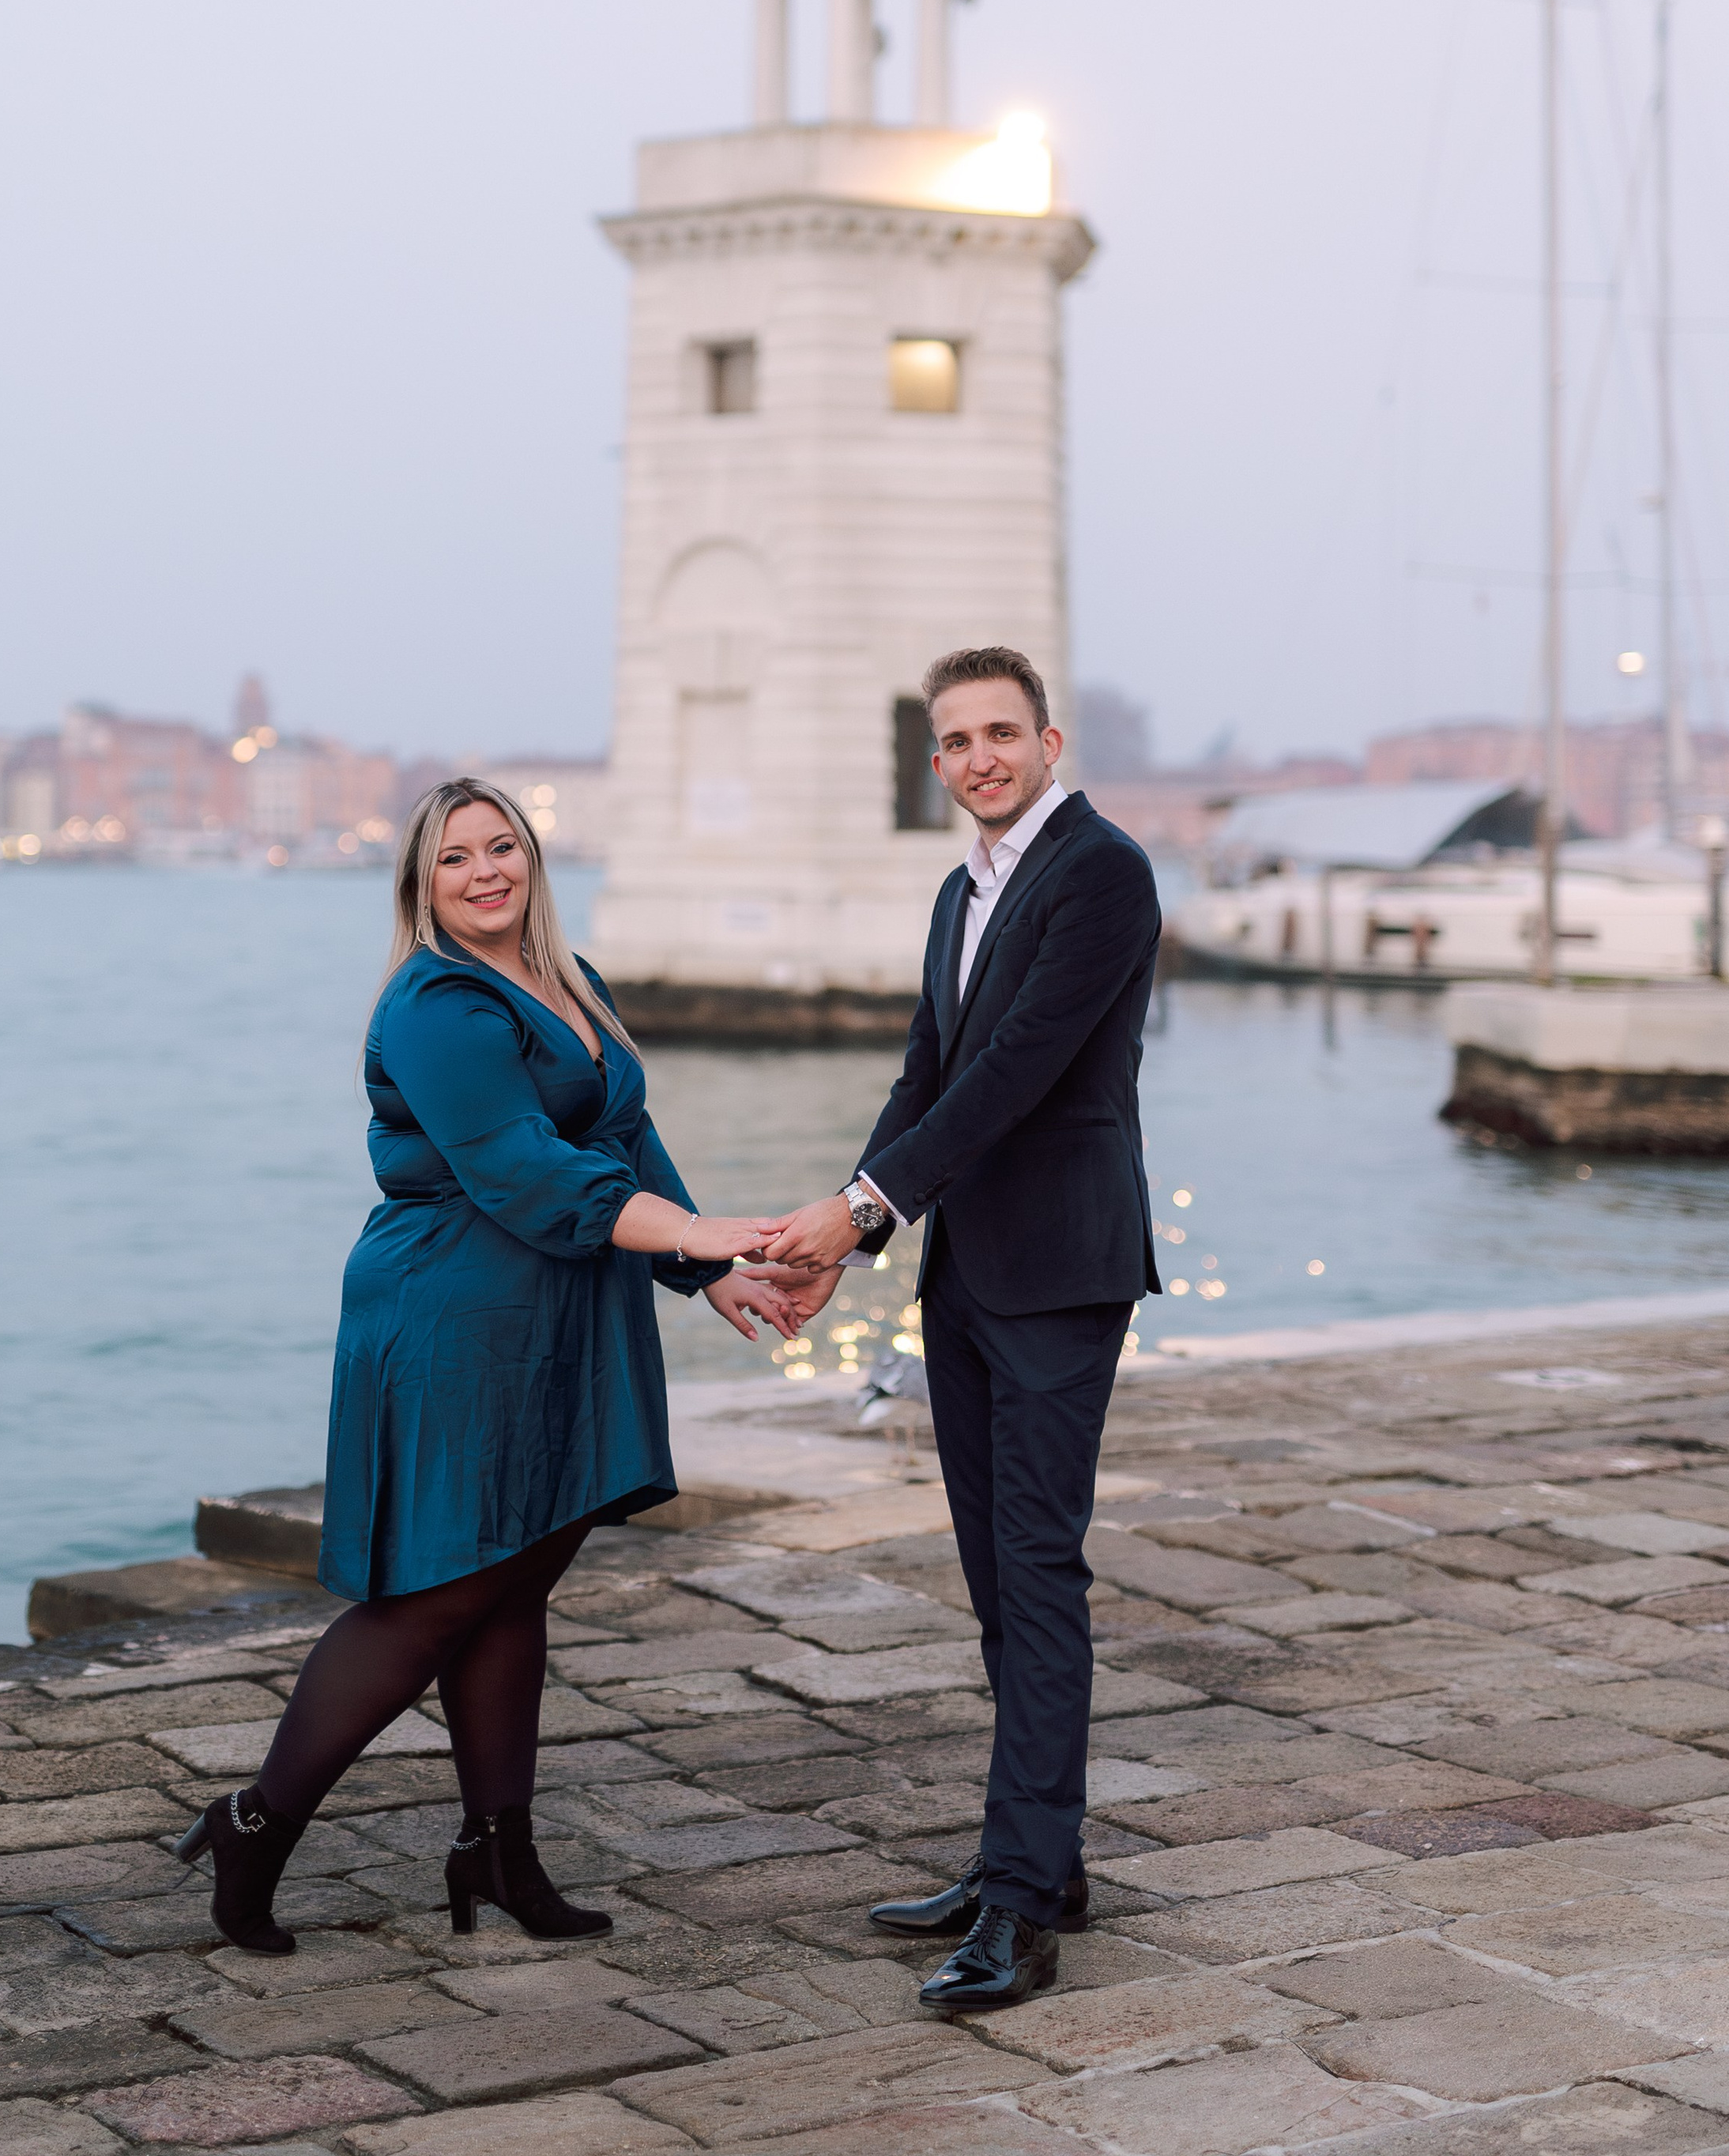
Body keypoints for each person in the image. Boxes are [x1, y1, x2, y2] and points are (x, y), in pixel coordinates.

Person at [175, 777, 794, 1954]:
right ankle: (255, 1822)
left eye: (501, 846)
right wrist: (694, 1236)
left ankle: (497, 1852)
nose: (484, 872)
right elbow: (519, 1165)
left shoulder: (570, 979)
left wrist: (701, 1267)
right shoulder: (433, 1006)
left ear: (532, 858)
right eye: (454, 858)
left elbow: (623, 1137)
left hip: (567, 1309)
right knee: (437, 1595)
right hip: (458, 1315)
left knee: (519, 1581)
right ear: (421, 884)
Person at [762, 648, 1159, 2011]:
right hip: (967, 1272)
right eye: (956, 742)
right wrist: (847, 1243)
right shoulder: (960, 890)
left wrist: (860, 1203)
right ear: (936, 764)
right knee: (998, 1583)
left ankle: (1020, 1906)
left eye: (1003, 732)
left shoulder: (1102, 873)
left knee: (1038, 1576)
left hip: (1059, 1269)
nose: (981, 757)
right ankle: (1035, 1861)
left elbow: (1015, 1076)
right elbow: (927, 1072)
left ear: (1048, 740)